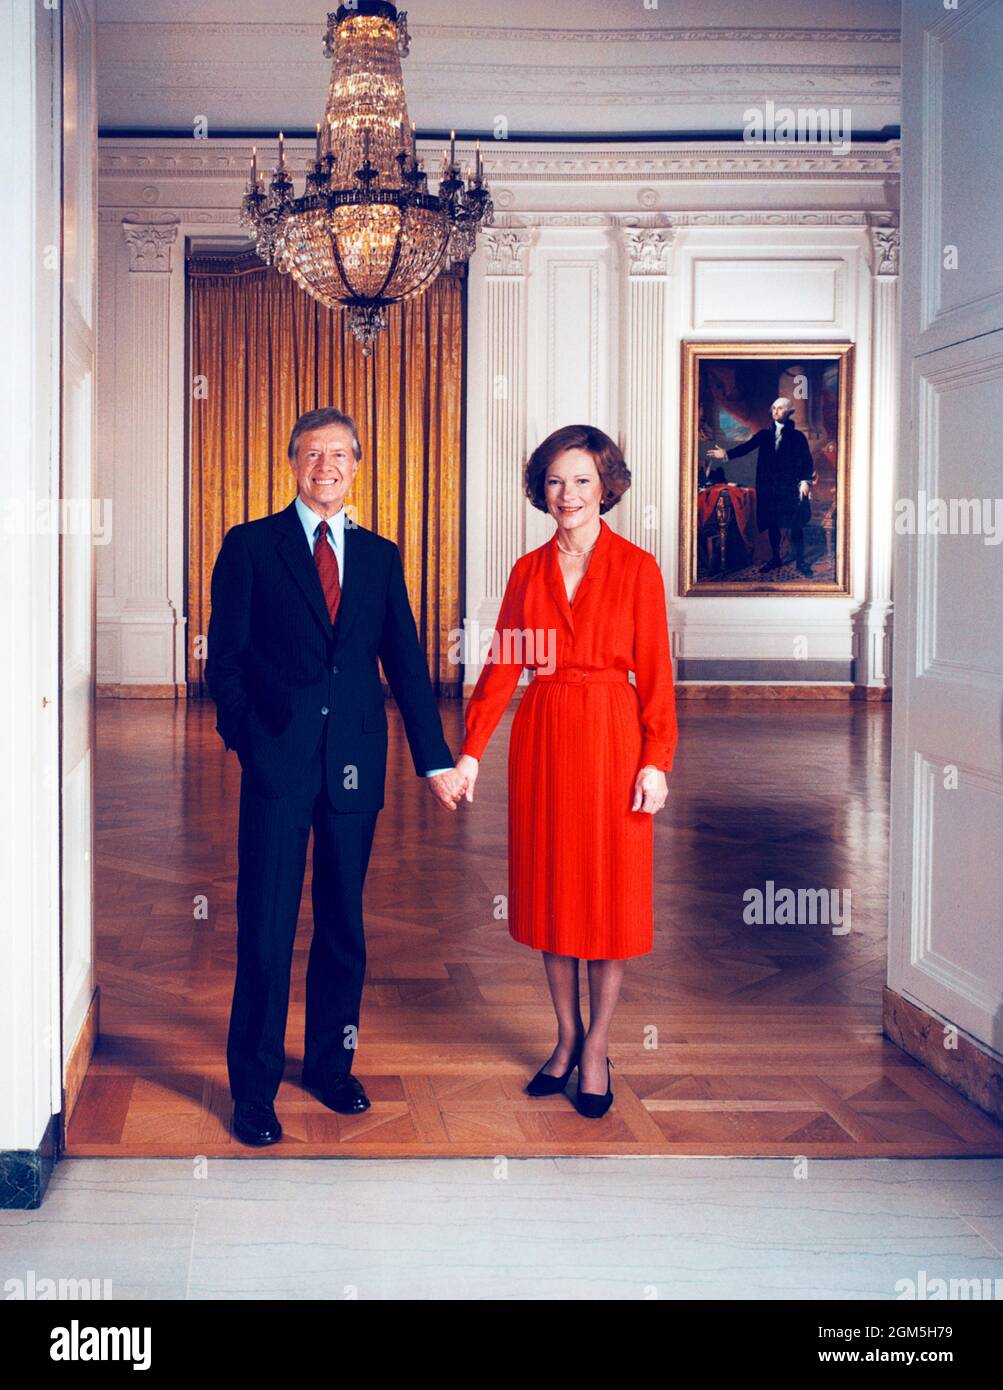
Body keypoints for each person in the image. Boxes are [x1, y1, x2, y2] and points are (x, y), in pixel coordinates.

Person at [206, 407, 466, 1147]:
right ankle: (253, 1091)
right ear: (292, 463)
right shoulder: (252, 546)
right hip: (277, 764)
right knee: (266, 926)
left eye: (340, 454)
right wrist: (249, 741)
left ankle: (329, 1065)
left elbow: (407, 666)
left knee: (343, 926)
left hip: (355, 764)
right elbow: (223, 660)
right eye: (313, 453)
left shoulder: (380, 556)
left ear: (357, 467)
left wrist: (434, 758)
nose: (326, 465)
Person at [452, 425, 678, 1119]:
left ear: (606, 486)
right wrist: (469, 751)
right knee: (552, 899)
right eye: (554, 480)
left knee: (606, 904)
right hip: (544, 738)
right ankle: (565, 1034)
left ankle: (596, 1048)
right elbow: (501, 670)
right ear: (539, 490)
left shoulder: (638, 569)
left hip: (613, 740)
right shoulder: (526, 572)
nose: (567, 494)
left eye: (581, 480)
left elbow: (659, 678)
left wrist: (656, 761)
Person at [707, 396, 814, 575]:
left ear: (789, 412)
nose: (775, 412)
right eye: (773, 408)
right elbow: (746, 447)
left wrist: (805, 481)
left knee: (796, 525)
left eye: (780, 409)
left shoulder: (797, 436)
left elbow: (806, 459)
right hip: (770, 489)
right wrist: (725, 454)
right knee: (772, 524)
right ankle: (776, 558)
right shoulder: (764, 434)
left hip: (790, 488)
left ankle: (801, 561)